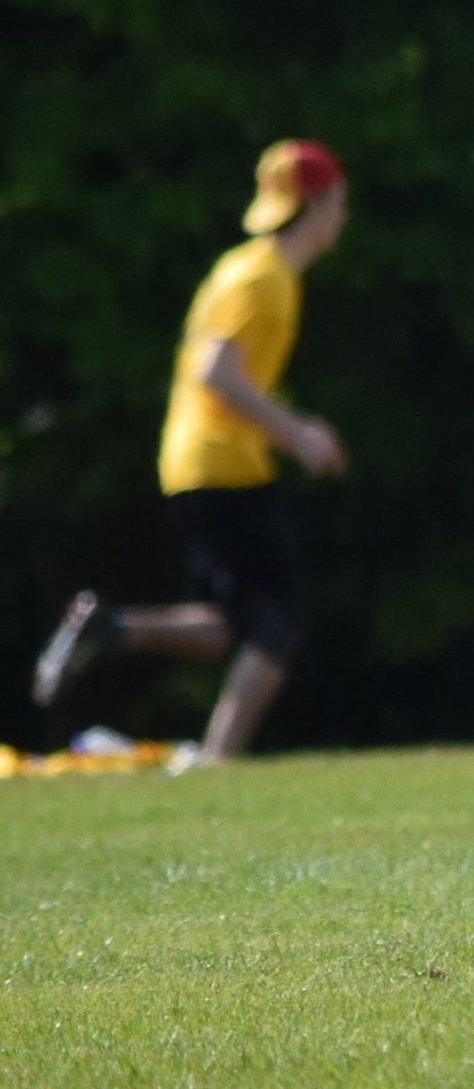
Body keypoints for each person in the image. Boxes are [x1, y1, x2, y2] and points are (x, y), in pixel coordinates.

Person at [30, 141, 355, 767]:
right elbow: (217, 373)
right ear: (314, 205)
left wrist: (290, 426)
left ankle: (111, 628)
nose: (343, 216)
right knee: (277, 624)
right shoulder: (264, 279)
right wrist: (299, 436)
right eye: (339, 202)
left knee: (235, 624)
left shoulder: (251, 269)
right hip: (222, 462)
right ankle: (217, 759)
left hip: (202, 461)